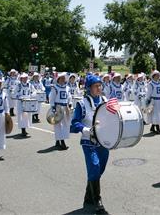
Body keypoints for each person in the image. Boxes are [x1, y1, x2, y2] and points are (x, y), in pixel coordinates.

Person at [70, 75, 108, 213]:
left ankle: (88, 195)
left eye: (100, 85)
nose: (99, 88)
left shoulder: (105, 101)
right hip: (88, 141)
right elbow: (74, 123)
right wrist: (85, 130)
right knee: (94, 166)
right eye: (95, 86)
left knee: (100, 169)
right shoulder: (82, 103)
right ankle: (98, 200)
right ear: (89, 88)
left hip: (103, 141)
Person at [49, 72, 72, 150]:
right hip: (58, 107)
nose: (63, 79)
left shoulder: (67, 88)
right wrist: (53, 108)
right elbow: (51, 99)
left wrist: (70, 104)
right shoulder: (55, 88)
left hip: (65, 108)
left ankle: (58, 141)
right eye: (61, 78)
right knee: (58, 125)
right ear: (58, 79)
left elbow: (69, 97)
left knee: (66, 124)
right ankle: (62, 142)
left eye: (64, 78)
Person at [15, 73, 36, 137]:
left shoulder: (30, 85)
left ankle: (25, 128)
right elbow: (15, 93)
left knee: (27, 116)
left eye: (26, 78)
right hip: (21, 102)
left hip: (28, 102)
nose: (25, 79)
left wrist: (31, 95)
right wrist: (20, 97)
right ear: (21, 78)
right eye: (23, 78)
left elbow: (34, 91)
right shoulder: (19, 85)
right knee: (21, 116)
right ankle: (23, 130)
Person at [146, 70, 160, 135]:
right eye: (156, 75)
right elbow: (148, 93)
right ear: (153, 76)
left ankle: (153, 127)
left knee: (158, 114)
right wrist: (147, 101)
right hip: (154, 101)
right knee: (155, 114)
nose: (158, 76)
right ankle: (158, 129)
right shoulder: (150, 84)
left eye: (158, 75)